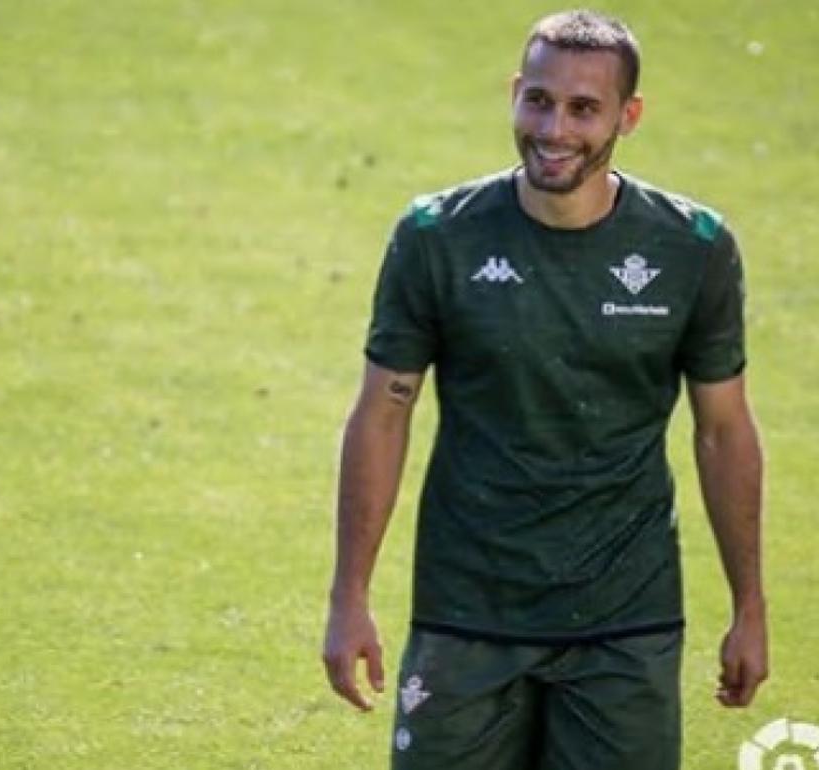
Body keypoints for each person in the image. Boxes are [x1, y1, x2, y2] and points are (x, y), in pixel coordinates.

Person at [321, 10, 766, 769]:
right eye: (538, 100)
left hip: (626, 619)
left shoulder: (693, 248)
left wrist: (749, 606)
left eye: (584, 109)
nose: (554, 128)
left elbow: (723, 430)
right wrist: (347, 597)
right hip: (466, 611)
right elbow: (382, 414)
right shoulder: (437, 236)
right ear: (514, 94)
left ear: (629, 116)